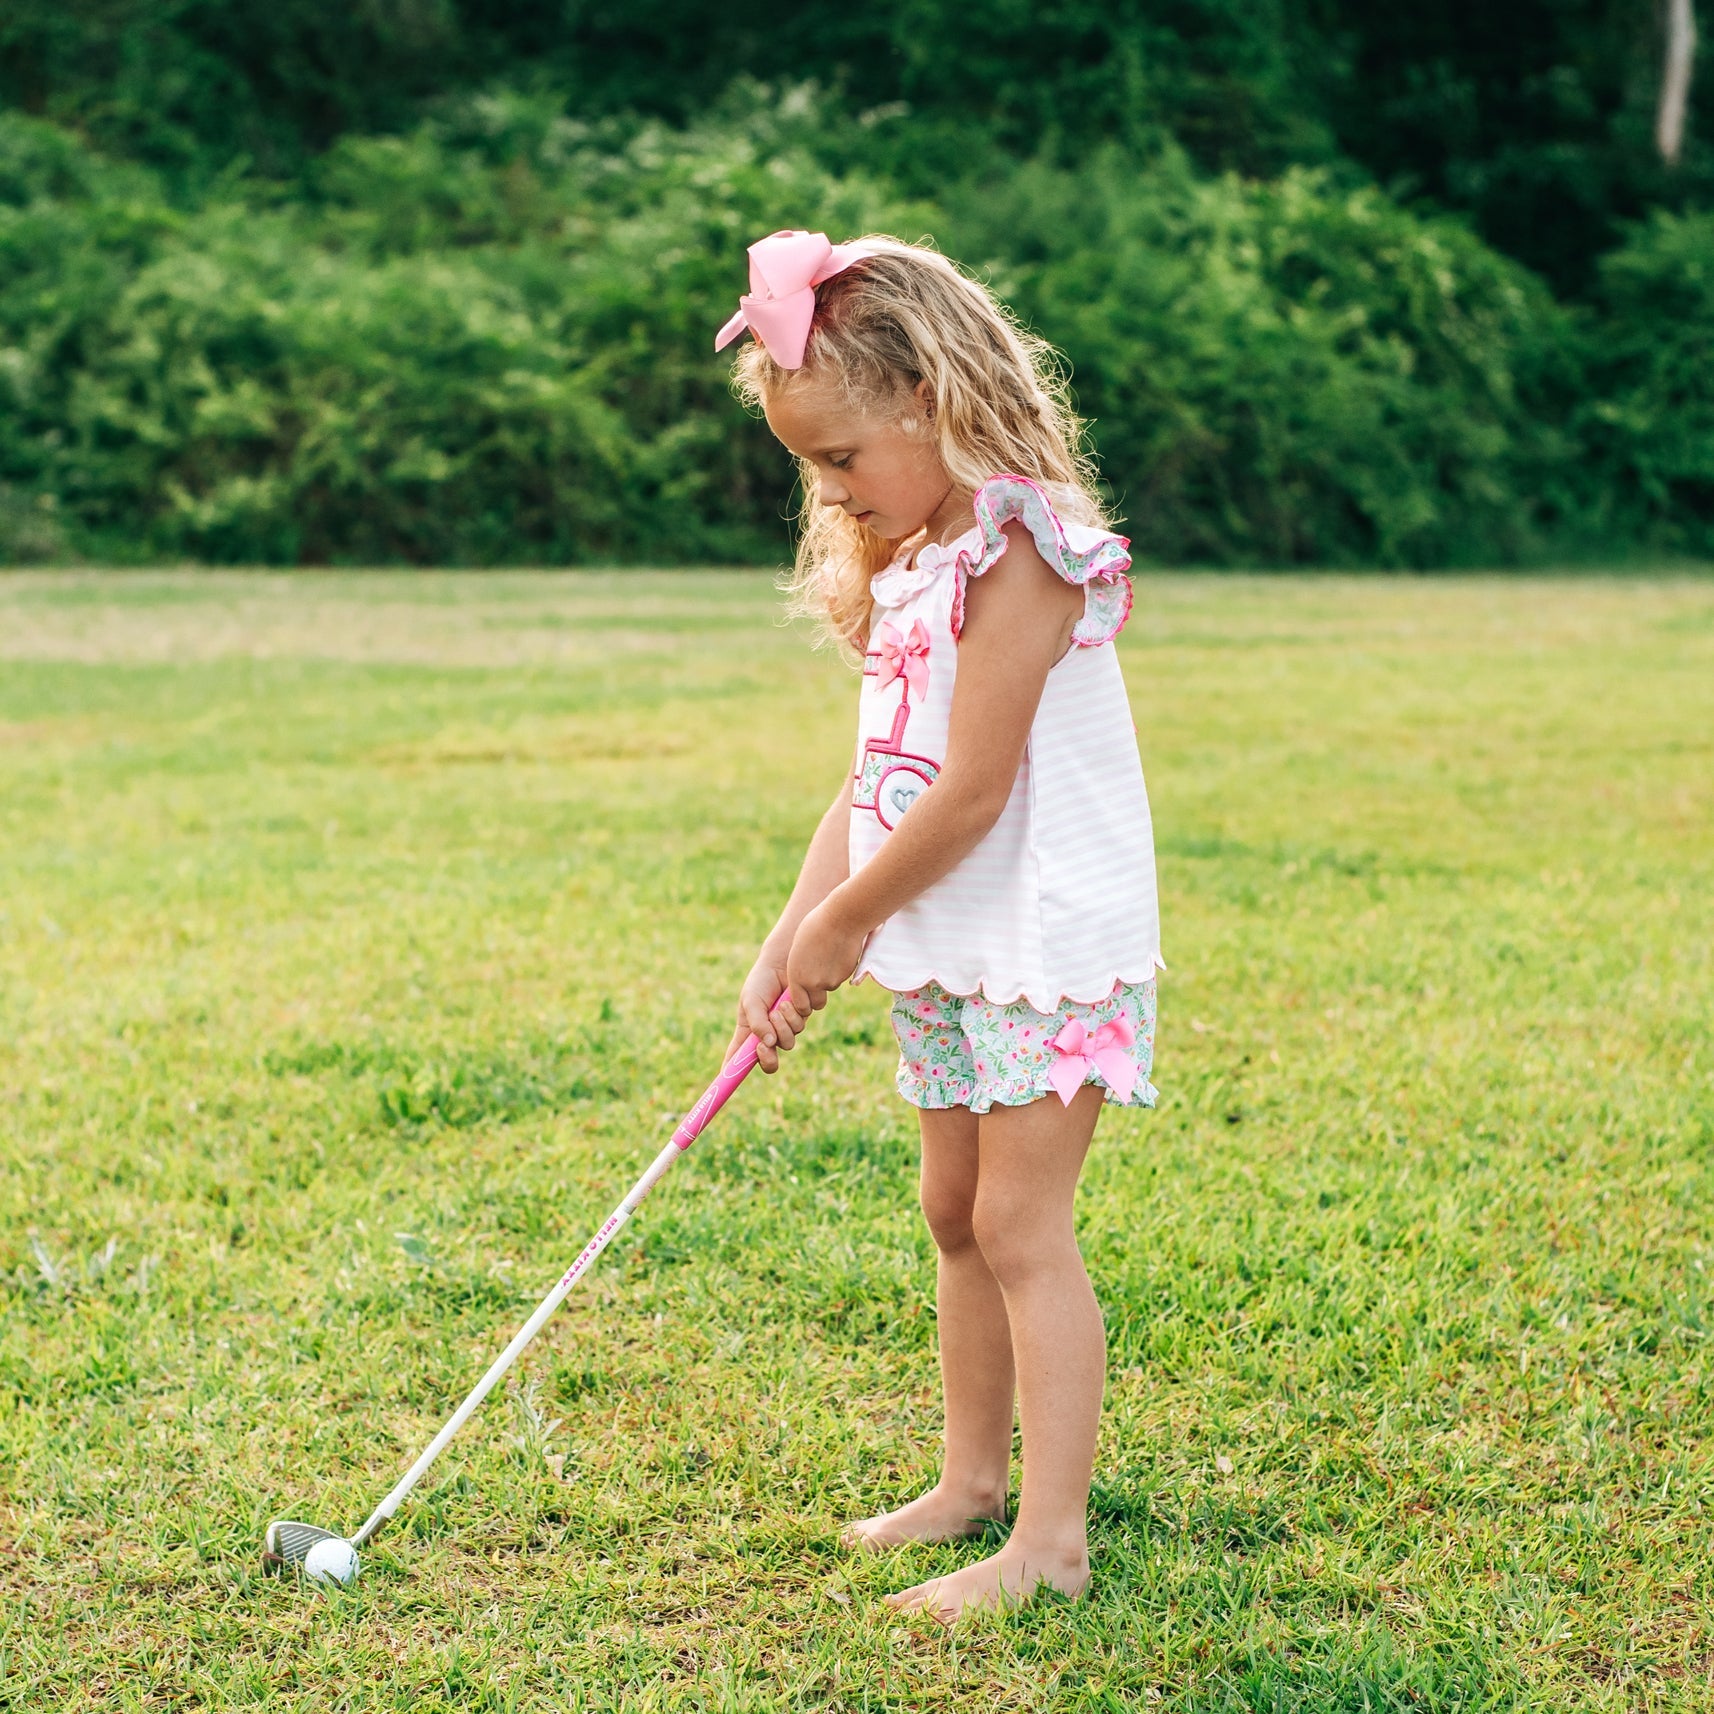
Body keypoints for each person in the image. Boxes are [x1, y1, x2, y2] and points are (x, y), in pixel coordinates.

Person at [715, 230, 1164, 1624]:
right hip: (952, 932)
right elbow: (877, 780)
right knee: (952, 1213)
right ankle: (969, 1483)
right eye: (811, 465)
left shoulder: (1024, 546)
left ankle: (1050, 1540)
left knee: (1023, 1224)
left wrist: (847, 922)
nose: (829, 490)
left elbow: (971, 791)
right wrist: (792, 930)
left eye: (841, 456)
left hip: (1042, 936)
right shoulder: (912, 564)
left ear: (928, 398)